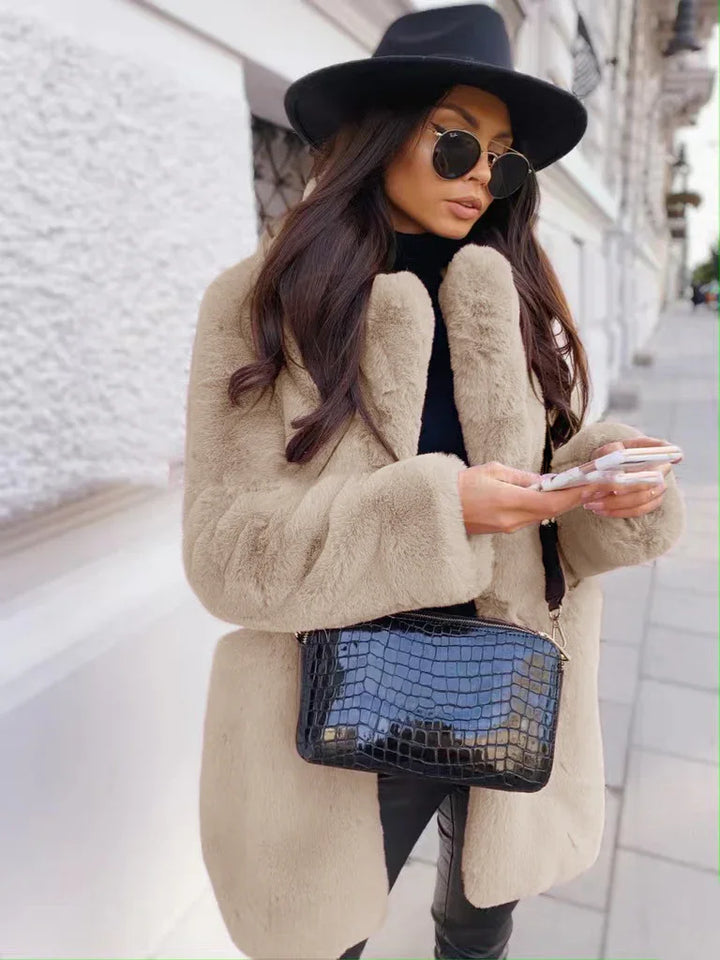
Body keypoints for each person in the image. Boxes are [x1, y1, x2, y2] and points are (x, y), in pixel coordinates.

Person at [181, 5, 685, 959]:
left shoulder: (514, 289)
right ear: (383, 133)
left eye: (506, 158)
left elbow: (532, 509)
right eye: (457, 142)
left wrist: (598, 487)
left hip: (510, 679)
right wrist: (434, 513)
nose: (485, 176)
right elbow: (224, 553)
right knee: (326, 938)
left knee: (481, 919)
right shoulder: (262, 305)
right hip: (330, 701)